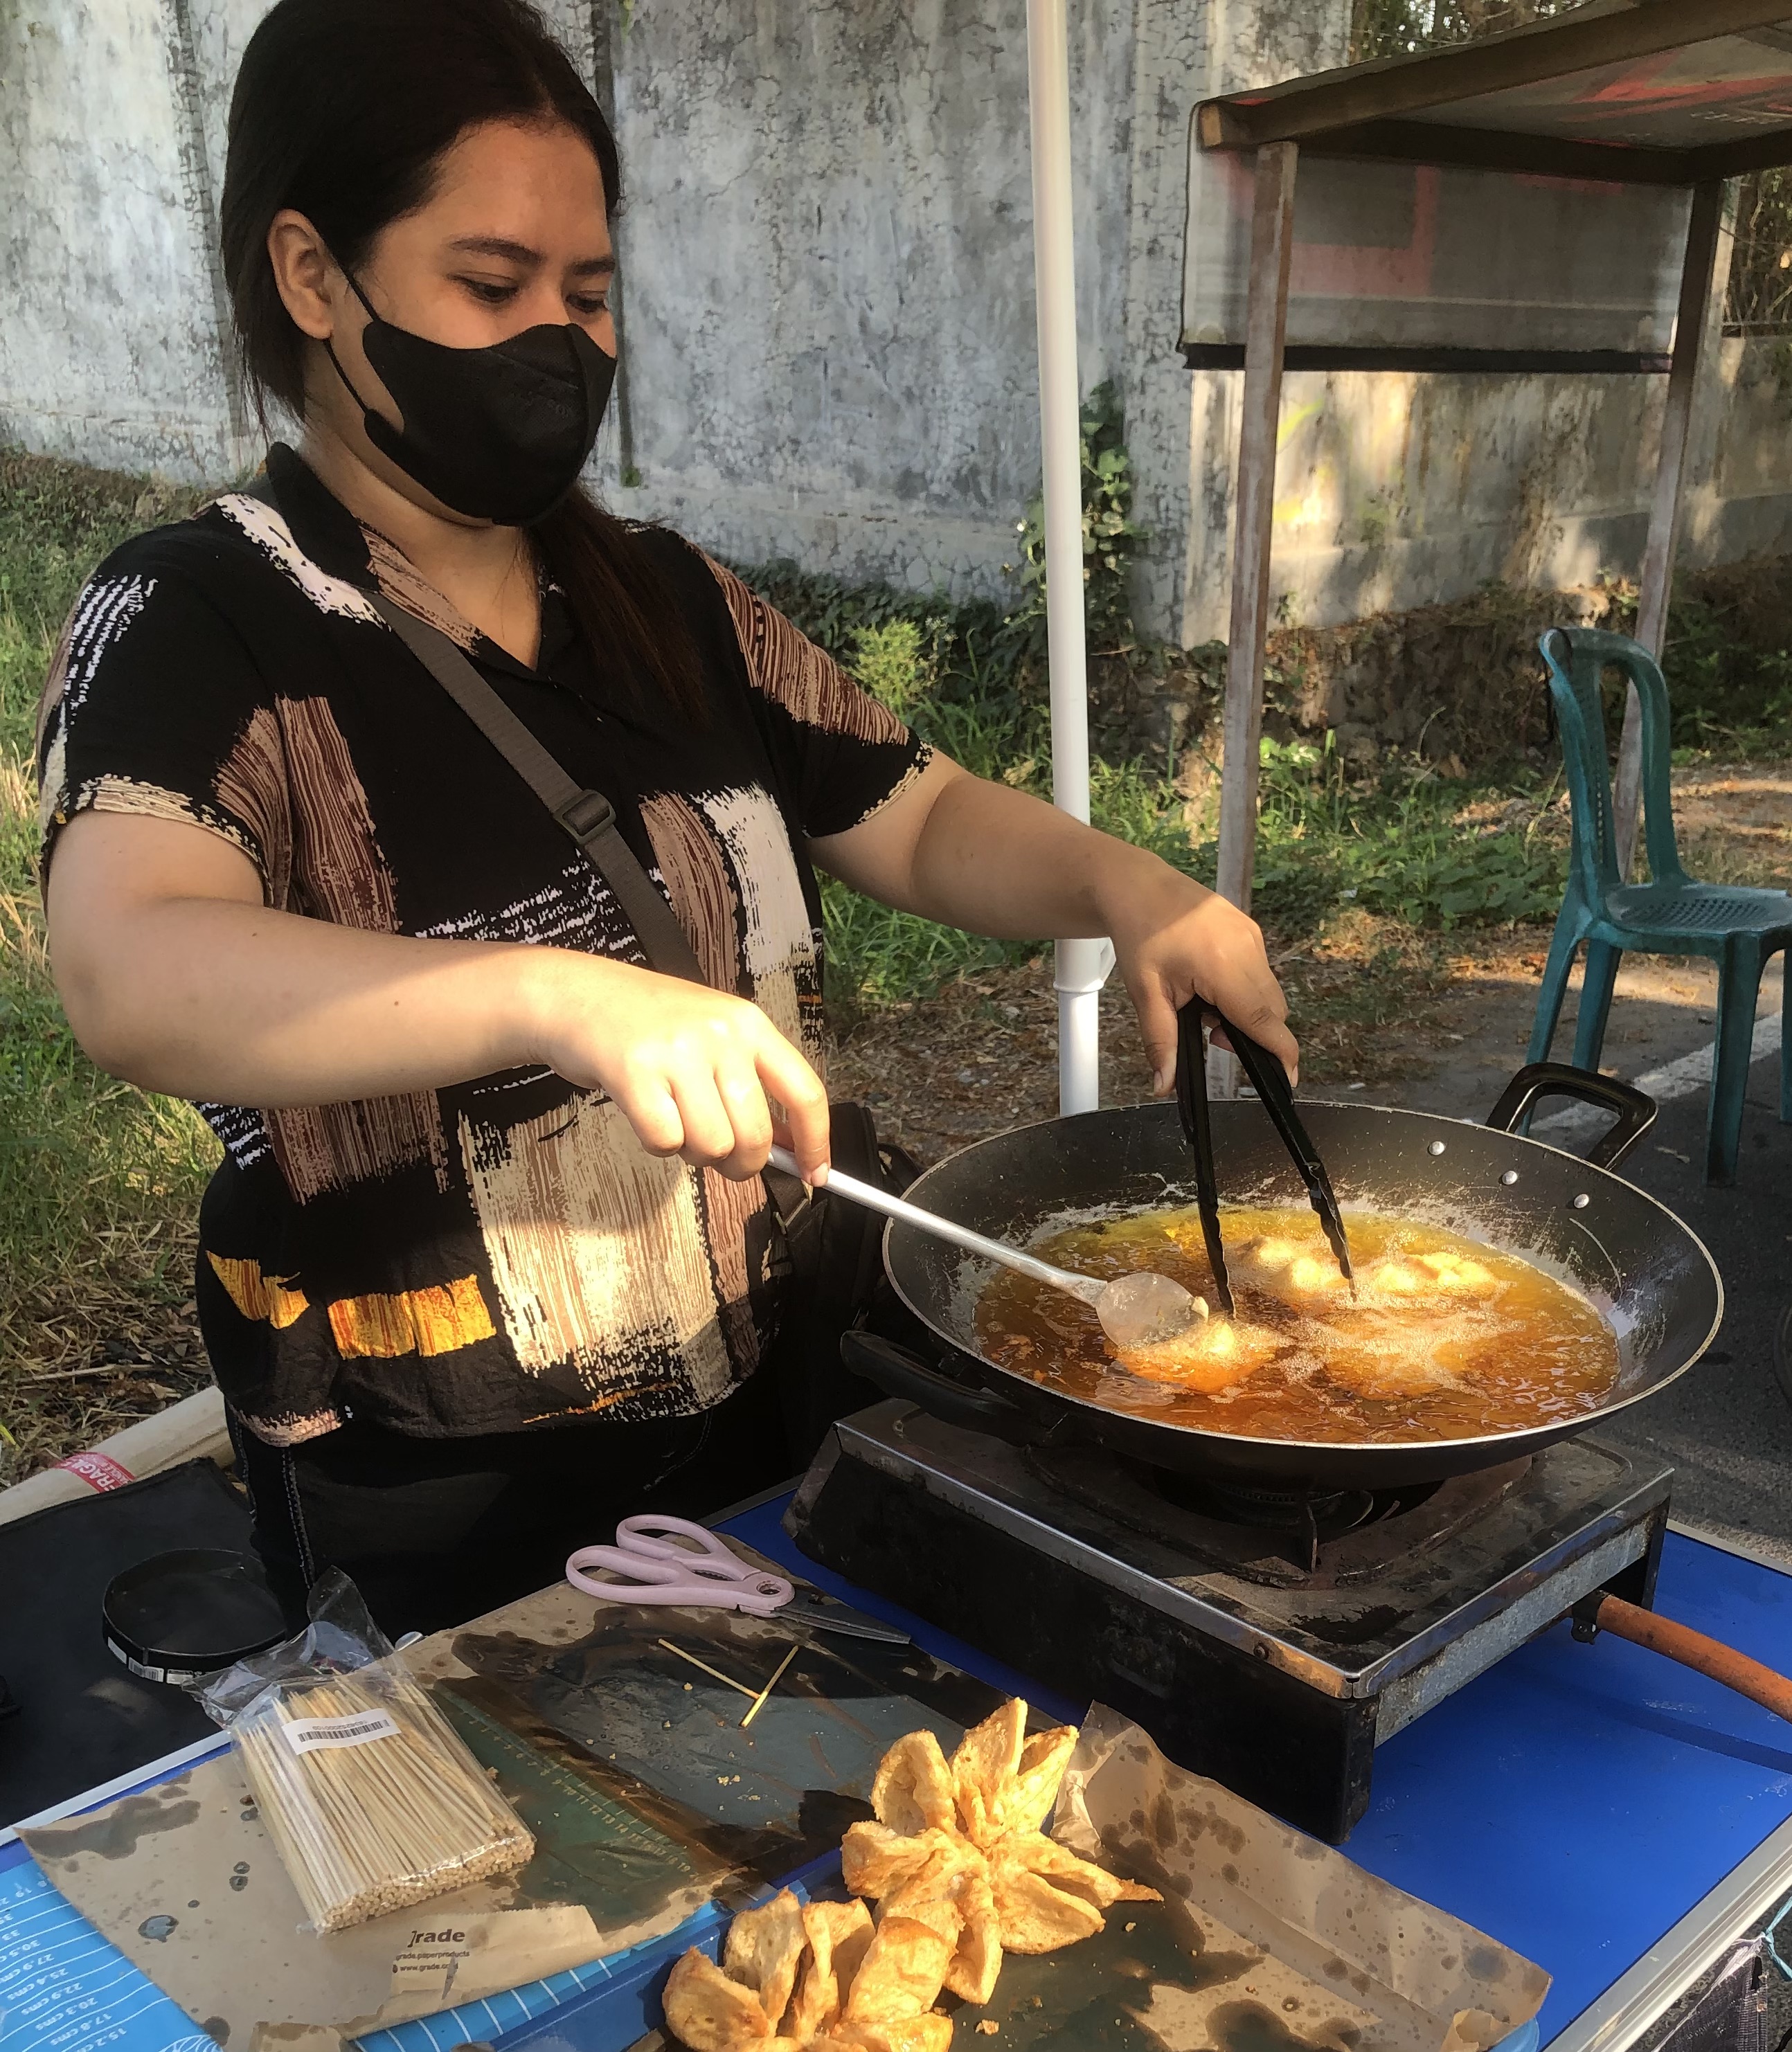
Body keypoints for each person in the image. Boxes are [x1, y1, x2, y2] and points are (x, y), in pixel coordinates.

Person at [37, 0, 1294, 1636]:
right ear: (312, 275)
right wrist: (559, 994)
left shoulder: (664, 595)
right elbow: (128, 970)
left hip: (772, 1368)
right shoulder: (203, 617)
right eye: (490, 286)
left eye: (590, 293)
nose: (557, 340)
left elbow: (907, 818)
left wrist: (1132, 885)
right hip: (448, 1475)